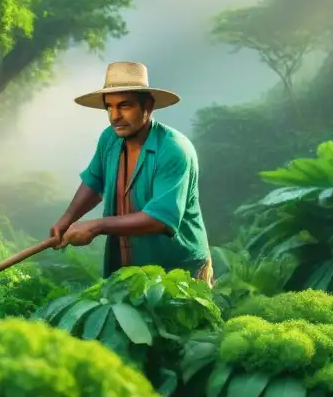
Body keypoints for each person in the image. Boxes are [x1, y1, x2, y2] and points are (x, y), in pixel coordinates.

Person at [50, 61, 213, 284]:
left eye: (125, 106)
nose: (114, 116)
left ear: (148, 106)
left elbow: (160, 219)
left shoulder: (174, 150)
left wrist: (96, 225)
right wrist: (67, 219)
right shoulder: (110, 138)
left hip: (177, 271)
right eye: (110, 107)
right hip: (125, 267)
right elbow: (95, 181)